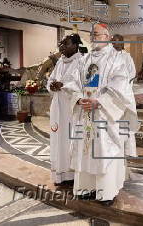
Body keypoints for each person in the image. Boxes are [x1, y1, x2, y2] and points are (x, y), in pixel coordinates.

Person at [69, 24, 139, 206]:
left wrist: (99, 102)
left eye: (96, 34)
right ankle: (86, 188)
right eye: (92, 34)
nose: (93, 37)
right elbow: (74, 82)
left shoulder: (116, 59)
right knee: (85, 151)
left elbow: (121, 87)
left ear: (106, 36)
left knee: (104, 151)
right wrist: (78, 99)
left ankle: (106, 192)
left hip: (104, 113)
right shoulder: (84, 59)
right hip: (85, 112)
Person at [47, 34, 83, 186]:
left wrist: (64, 86)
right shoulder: (60, 62)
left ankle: (72, 174)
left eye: (65, 43)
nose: (61, 47)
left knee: (70, 139)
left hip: (72, 107)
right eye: (60, 44)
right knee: (58, 139)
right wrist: (52, 85)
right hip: (57, 106)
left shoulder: (81, 61)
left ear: (75, 46)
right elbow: (51, 79)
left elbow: (81, 83)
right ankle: (60, 174)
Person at [111, 34, 137, 158]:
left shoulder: (127, 57)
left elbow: (132, 73)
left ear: (121, 43)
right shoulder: (108, 56)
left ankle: (129, 150)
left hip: (125, 93)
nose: (114, 43)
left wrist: (121, 84)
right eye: (112, 41)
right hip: (112, 94)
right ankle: (116, 148)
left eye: (116, 41)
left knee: (127, 122)